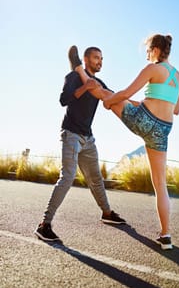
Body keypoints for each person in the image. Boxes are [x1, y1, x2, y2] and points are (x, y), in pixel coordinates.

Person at [69, 34, 179, 250]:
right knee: (160, 184)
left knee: (105, 93)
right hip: (163, 130)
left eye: (148, 51)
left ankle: (78, 69)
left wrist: (110, 101)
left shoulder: (152, 68)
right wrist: (132, 101)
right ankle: (166, 236)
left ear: (156, 49)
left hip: (143, 119)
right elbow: (176, 110)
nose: (148, 55)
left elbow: (126, 92)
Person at [34, 46, 126, 242]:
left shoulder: (99, 82)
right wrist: (85, 86)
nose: (100, 61)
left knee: (96, 179)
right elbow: (63, 100)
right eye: (96, 58)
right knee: (67, 177)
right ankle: (44, 225)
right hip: (71, 134)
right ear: (85, 59)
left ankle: (107, 213)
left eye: (102, 58)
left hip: (88, 138)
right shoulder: (73, 77)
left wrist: (134, 103)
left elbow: (111, 96)